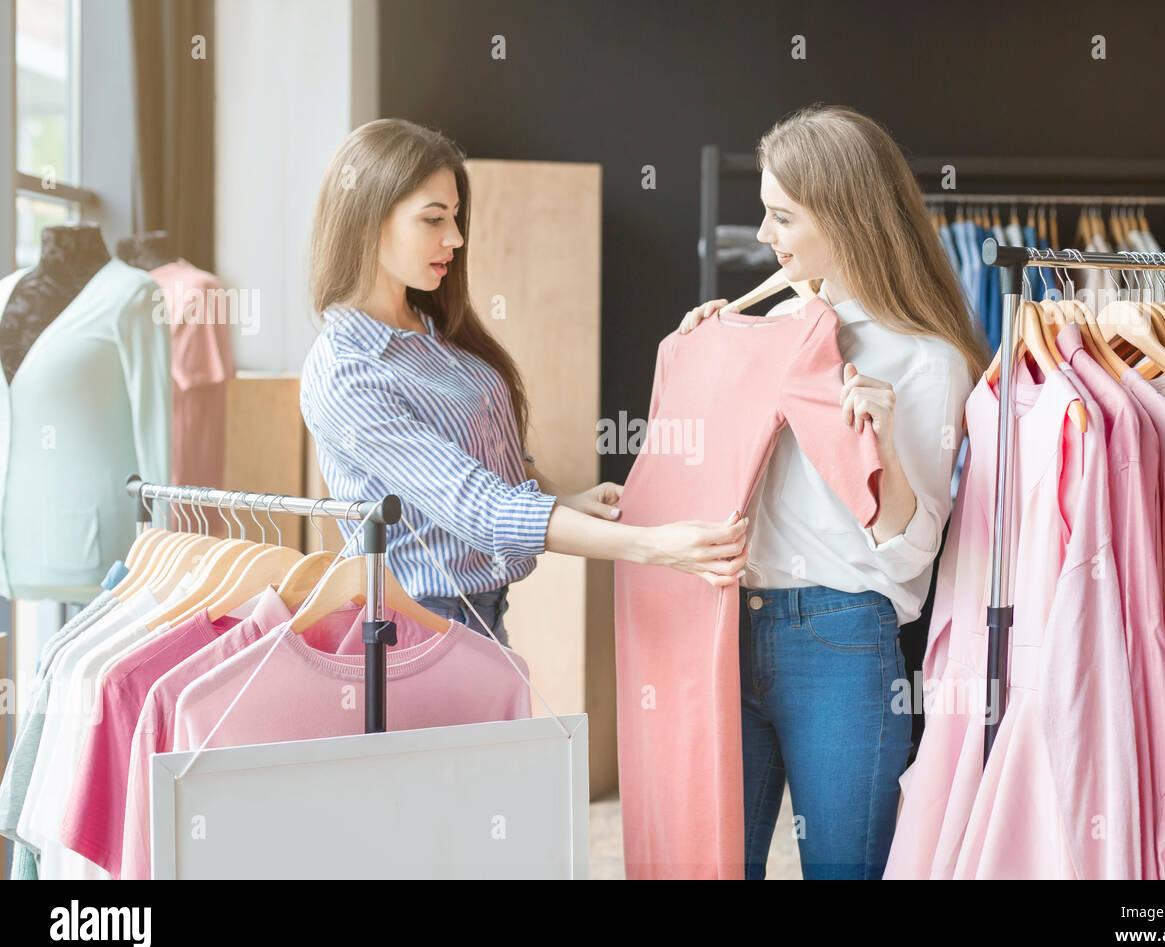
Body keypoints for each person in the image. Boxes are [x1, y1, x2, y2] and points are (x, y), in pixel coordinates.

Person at [677, 104, 988, 879]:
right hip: (727, 622)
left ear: (845, 216)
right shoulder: (774, 326)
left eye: (781, 215)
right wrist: (706, 363)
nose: (762, 236)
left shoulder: (927, 358)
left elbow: (919, 554)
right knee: (712, 864)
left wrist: (879, 442)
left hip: (843, 637)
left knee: (847, 870)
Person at [300, 118, 748, 645]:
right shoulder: (347, 372)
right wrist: (654, 547)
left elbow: (483, 460)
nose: (456, 237)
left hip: (478, 618)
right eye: (433, 219)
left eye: (457, 217)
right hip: (414, 629)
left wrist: (562, 498)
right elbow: (480, 508)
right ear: (365, 222)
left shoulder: (432, 330)